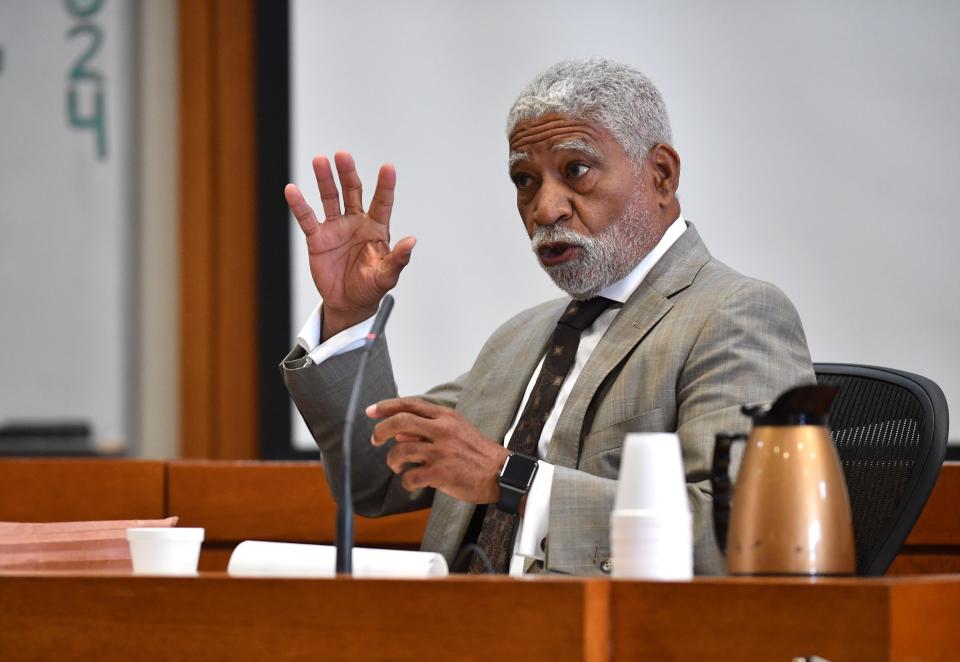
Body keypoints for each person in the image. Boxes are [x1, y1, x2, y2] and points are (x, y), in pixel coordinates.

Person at [280, 58, 814, 575]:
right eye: (525, 180)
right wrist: (349, 315)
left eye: (575, 170)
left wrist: (509, 478)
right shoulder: (519, 339)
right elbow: (376, 478)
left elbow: (743, 538)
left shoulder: (733, 314)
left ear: (661, 175)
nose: (544, 209)